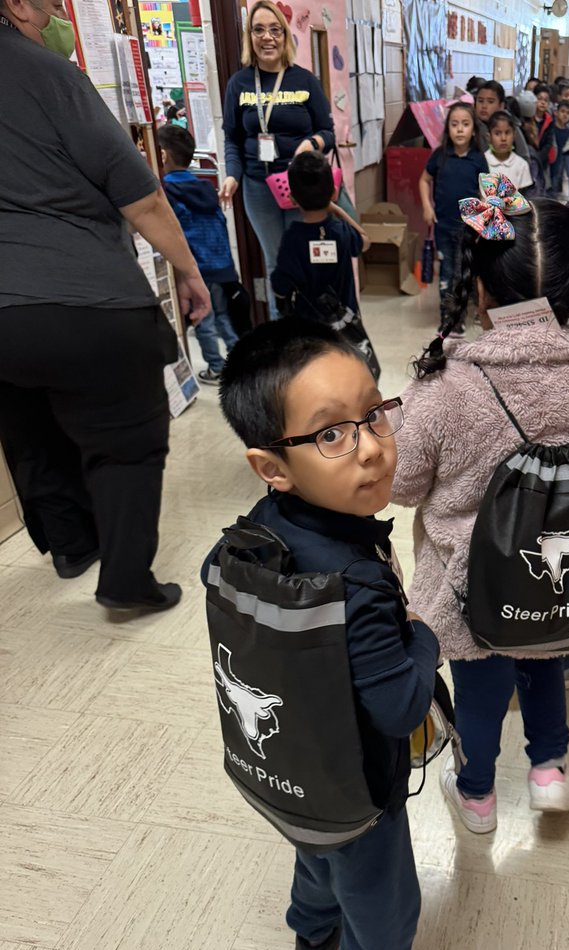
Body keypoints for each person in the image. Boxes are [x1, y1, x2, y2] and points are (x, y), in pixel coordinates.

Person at [211, 317, 439, 950]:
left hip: (286, 767)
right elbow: (402, 709)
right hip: (356, 785)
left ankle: (312, 934)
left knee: (315, 851)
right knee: (383, 899)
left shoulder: (251, 536)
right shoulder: (360, 583)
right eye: (331, 436)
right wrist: (423, 635)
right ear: (271, 465)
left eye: (374, 414)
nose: (372, 445)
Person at [392, 184, 569, 831]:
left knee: (482, 693)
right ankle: (549, 773)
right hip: (560, 587)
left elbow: (399, 484)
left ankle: (477, 797)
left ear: (480, 288)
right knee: (546, 671)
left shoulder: (445, 382)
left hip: (469, 593)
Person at [0, 0, 210, 613]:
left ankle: (71, 546)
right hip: (85, 295)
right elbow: (140, 197)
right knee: (126, 441)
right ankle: (125, 581)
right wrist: (188, 271)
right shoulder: (47, 73)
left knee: (28, 429)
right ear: (16, 5)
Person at [220, 0, 336, 300]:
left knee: (306, 261)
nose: (267, 37)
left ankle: (313, 335)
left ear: (284, 36)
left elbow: (328, 133)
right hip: (259, 187)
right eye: (258, 30)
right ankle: (285, 340)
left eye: (274, 30)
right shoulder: (239, 84)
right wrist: (232, 176)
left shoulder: (305, 80)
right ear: (250, 37)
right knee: (276, 265)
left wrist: (312, 144)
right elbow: (232, 137)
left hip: (301, 185)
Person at [159, 124, 240, 384]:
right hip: (220, 262)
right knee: (222, 314)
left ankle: (216, 367)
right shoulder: (206, 187)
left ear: (163, 155)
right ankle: (240, 364)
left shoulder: (166, 191)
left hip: (193, 265)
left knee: (202, 318)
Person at [419, 102, 488, 334]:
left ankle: (460, 316)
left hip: (468, 228)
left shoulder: (478, 159)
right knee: (447, 273)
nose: (460, 129)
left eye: (465, 124)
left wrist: (484, 213)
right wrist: (427, 207)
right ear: (447, 127)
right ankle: (447, 319)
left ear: (474, 130)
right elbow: (423, 180)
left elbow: (485, 190)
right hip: (443, 227)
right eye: (454, 124)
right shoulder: (440, 156)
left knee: (463, 273)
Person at [271, 151, 367, 317]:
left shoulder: (292, 239)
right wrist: (337, 209)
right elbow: (365, 241)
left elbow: (280, 286)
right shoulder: (341, 232)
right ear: (334, 193)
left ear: (292, 198)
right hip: (345, 328)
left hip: (309, 332)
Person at [473, 80, 530, 159]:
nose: (484, 106)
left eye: (490, 102)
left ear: (501, 106)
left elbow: (524, 157)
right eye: (480, 101)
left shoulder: (511, 126)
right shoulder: (471, 126)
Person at [484, 111, 533, 193]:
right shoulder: (482, 161)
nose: (503, 138)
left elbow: (525, 196)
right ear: (489, 137)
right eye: (497, 133)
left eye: (507, 133)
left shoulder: (521, 165)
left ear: (514, 135)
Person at [549, 99, 569, 198]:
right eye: (562, 111)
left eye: (568, 113)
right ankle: (553, 198)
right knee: (556, 176)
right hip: (556, 156)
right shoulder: (552, 128)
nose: (565, 115)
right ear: (556, 113)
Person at [533, 84, 556, 185]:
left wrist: (540, 157)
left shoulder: (549, 120)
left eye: (546, 100)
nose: (542, 102)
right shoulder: (528, 118)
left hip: (543, 159)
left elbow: (549, 142)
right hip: (530, 158)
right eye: (540, 99)